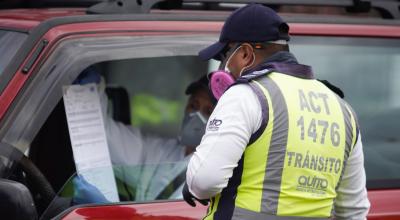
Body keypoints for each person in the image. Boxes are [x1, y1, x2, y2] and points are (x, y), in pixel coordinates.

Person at [184, 4, 370, 220]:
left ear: (245, 54)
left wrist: (193, 184)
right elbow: (354, 211)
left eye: (224, 57)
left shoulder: (245, 95)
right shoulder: (342, 109)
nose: (223, 67)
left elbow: (203, 181)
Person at [72, 68, 216, 202]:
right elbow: (106, 136)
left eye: (208, 111)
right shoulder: (163, 151)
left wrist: (107, 214)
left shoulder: (213, 177)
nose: (196, 115)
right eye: (193, 105)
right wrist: (90, 94)